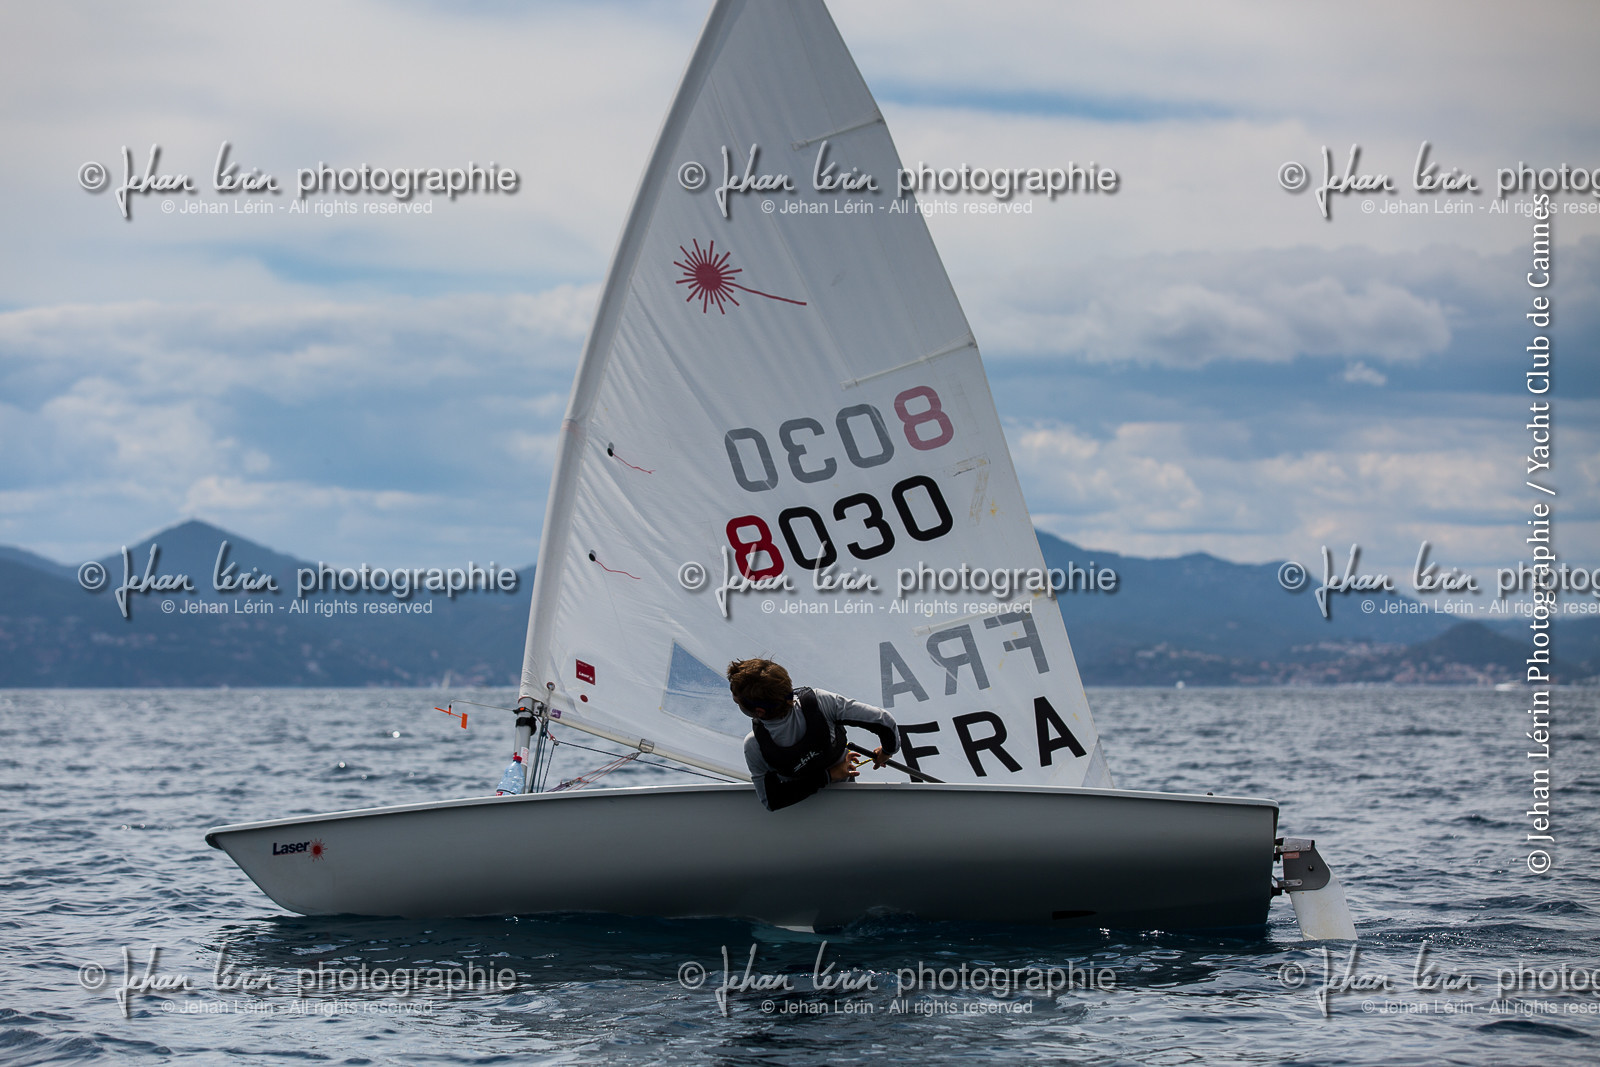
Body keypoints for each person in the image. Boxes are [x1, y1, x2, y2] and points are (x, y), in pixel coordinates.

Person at [727, 657, 899, 811]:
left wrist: (829, 776)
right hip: (844, 798)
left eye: (737, 703)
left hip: (806, 813)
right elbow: (884, 721)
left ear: (759, 711)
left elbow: (771, 800)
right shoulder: (820, 701)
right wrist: (887, 751)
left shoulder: (754, 745)